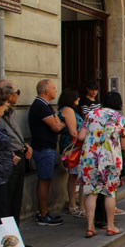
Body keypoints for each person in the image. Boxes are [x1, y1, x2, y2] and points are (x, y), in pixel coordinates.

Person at [78, 91, 125, 238]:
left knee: (91, 193)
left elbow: (81, 136)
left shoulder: (91, 115)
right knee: (109, 193)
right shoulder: (120, 119)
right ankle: (111, 226)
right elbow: (124, 143)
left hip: (90, 157)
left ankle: (90, 227)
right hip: (110, 158)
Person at [0, 86, 27, 247]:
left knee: (2, 216)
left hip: (1, 177)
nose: (6, 108)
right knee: (1, 218)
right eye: (4, 104)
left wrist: (8, 156)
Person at [0, 81, 33, 243]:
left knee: (15, 201)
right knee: (5, 206)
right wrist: (10, 152)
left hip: (17, 157)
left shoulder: (9, 112)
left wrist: (24, 145)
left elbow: (15, 133)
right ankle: (7, 245)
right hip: (2, 169)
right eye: (15, 91)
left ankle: (15, 240)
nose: (17, 94)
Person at [28, 79, 64, 226]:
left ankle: (44, 211)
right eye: (54, 88)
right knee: (44, 180)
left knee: (47, 179)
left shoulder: (46, 106)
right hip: (43, 148)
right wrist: (58, 122)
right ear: (46, 91)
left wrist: (58, 122)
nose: (56, 91)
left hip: (46, 148)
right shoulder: (40, 106)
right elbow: (57, 127)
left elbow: (58, 123)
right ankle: (43, 213)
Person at [57, 88, 85, 217]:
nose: (79, 99)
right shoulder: (68, 110)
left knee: (73, 176)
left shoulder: (68, 110)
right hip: (75, 147)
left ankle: (74, 204)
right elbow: (73, 131)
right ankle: (79, 205)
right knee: (79, 176)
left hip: (72, 145)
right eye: (77, 97)